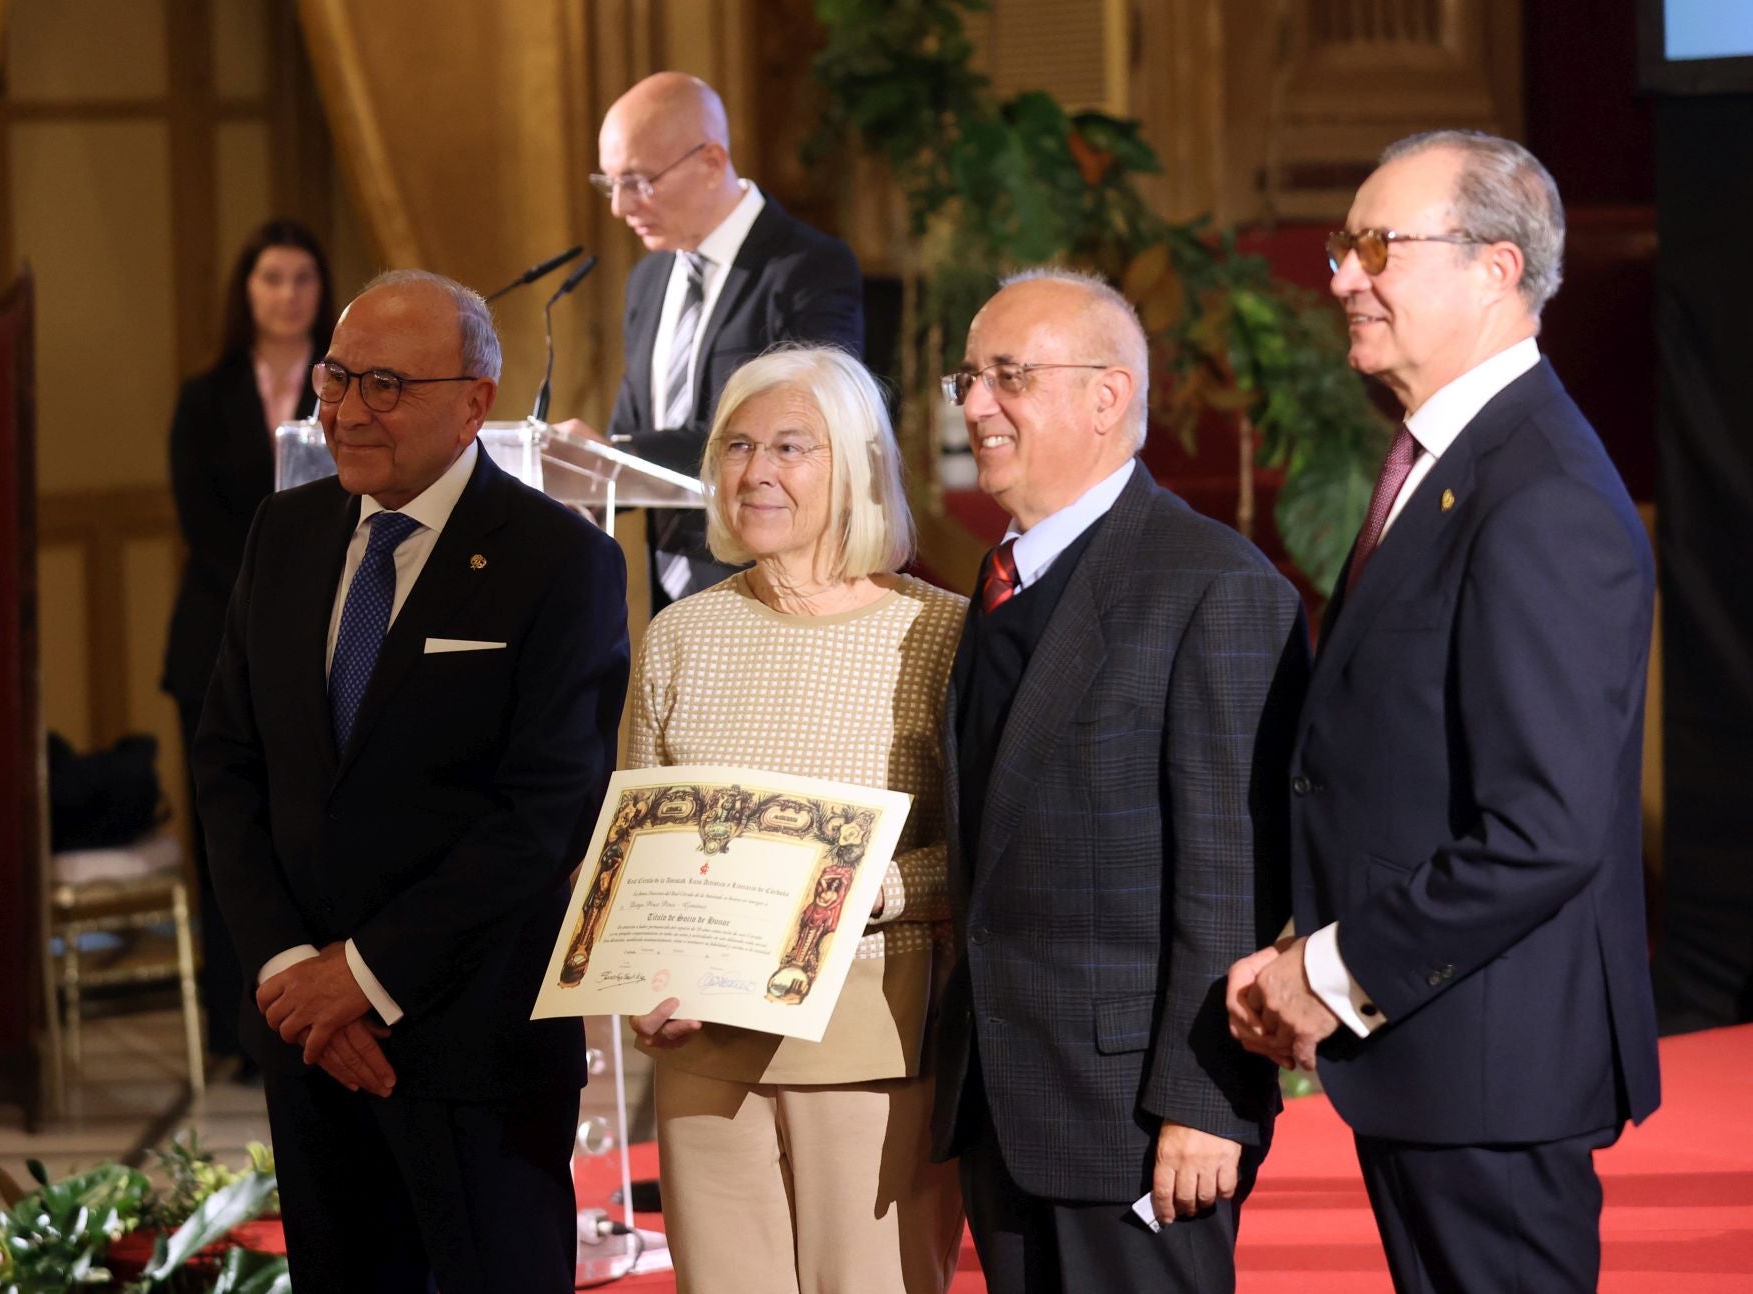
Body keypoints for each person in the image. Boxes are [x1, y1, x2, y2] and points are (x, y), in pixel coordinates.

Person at [1227, 131, 1659, 1293]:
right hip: (1434, 1051)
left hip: (1495, 1067)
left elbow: (1544, 830)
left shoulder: (1544, 495)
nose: (1340, 277)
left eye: (1377, 247)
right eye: (1342, 245)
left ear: (1495, 267)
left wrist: (1328, 968)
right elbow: (1398, 763)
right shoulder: (1455, 458)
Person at [192, 269, 630, 1292]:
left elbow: (544, 815)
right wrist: (293, 971)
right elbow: (227, 764)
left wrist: (368, 975)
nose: (343, 411)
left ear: (476, 399)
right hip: (309, 1046)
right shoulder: (283, 533)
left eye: (383, 384)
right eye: (335, 377)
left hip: (474, 1049)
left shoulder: (559, 561)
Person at [931, 269, 1308, 1293]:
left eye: (1009, 375)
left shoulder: (1216, 587)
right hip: (1005, 1101)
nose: (973, 404)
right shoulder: (1001, 576)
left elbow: (1234, 874)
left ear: (1108, 397)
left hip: (1138, 1117)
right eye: (968, 375)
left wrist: (1209, 1099)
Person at [626, 346, 966, 1294]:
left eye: (789, 446)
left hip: (872, 1040)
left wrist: (861, 884)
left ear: (856, 466)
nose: (755, 471)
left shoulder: (940, 633)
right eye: (736, 446)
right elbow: (638, 846)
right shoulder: (678, 634)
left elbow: (984, 854)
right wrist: (635, 968)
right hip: (700, 1042)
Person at [554, 71, 864, 609]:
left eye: (639, 181)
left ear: (711, 163)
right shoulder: (648, 281)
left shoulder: (807, 268)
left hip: (777, 591)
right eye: (611, 184)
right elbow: (636, 434)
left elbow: (810, 432)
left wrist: (616, 454)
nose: (620, 208)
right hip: (672, 600)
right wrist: (583, 477)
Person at [162, 218, 333, 1071]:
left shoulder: (351, 386)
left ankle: (316, 1005)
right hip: (216, 635)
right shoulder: (206, 394)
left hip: (324, 638)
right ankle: (240, 1023)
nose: (288, 294)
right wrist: (270, 592)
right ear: (247, 289)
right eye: (272, 278)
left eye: (303, 278)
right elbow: (201, 521)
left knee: (304, 823)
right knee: (223, 829)